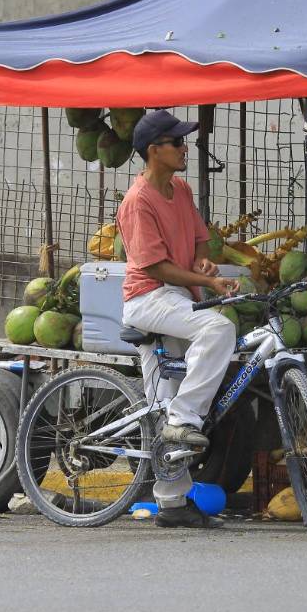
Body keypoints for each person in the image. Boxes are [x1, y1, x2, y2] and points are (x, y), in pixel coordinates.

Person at [118, 109, 240, 528]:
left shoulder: (181, 189)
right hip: (149, 298)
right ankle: (185, 418)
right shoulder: (138, 201)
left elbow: (201, 241)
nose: (185, 148)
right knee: (219, 327)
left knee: (162, 402)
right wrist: (210, 283)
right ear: (154, 151)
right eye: (177, 143)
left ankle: (171, 503)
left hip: (177, 298)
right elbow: (155, 268)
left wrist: (204, 266)